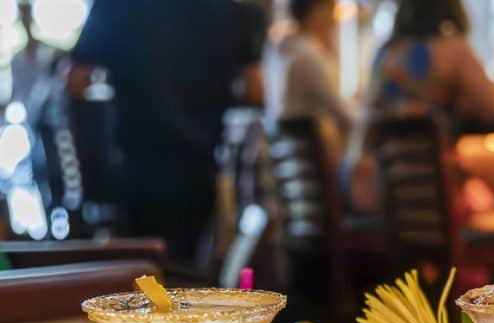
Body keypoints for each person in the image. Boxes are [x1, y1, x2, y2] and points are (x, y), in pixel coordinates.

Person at [66, 0, 266, 268]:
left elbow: (76, 82)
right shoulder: (231, 12)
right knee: (185, 261)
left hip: (132, 166)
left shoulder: (116, 6)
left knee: (140, 264)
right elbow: (256, 90)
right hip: (199, 168)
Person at [345, 0, 494, 211]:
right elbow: (493, 108)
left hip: (381, 193)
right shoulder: (454, 50)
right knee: (491, 203)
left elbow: (368, 114)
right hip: (438, 194)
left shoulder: (385, 53)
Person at [263, 0, 350, 136]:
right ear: (316, 13)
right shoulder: (308, 52)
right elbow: (336, 107)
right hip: (304, 136)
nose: (335, 19)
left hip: (277, 132)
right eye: (331, 10)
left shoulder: (278, 47)